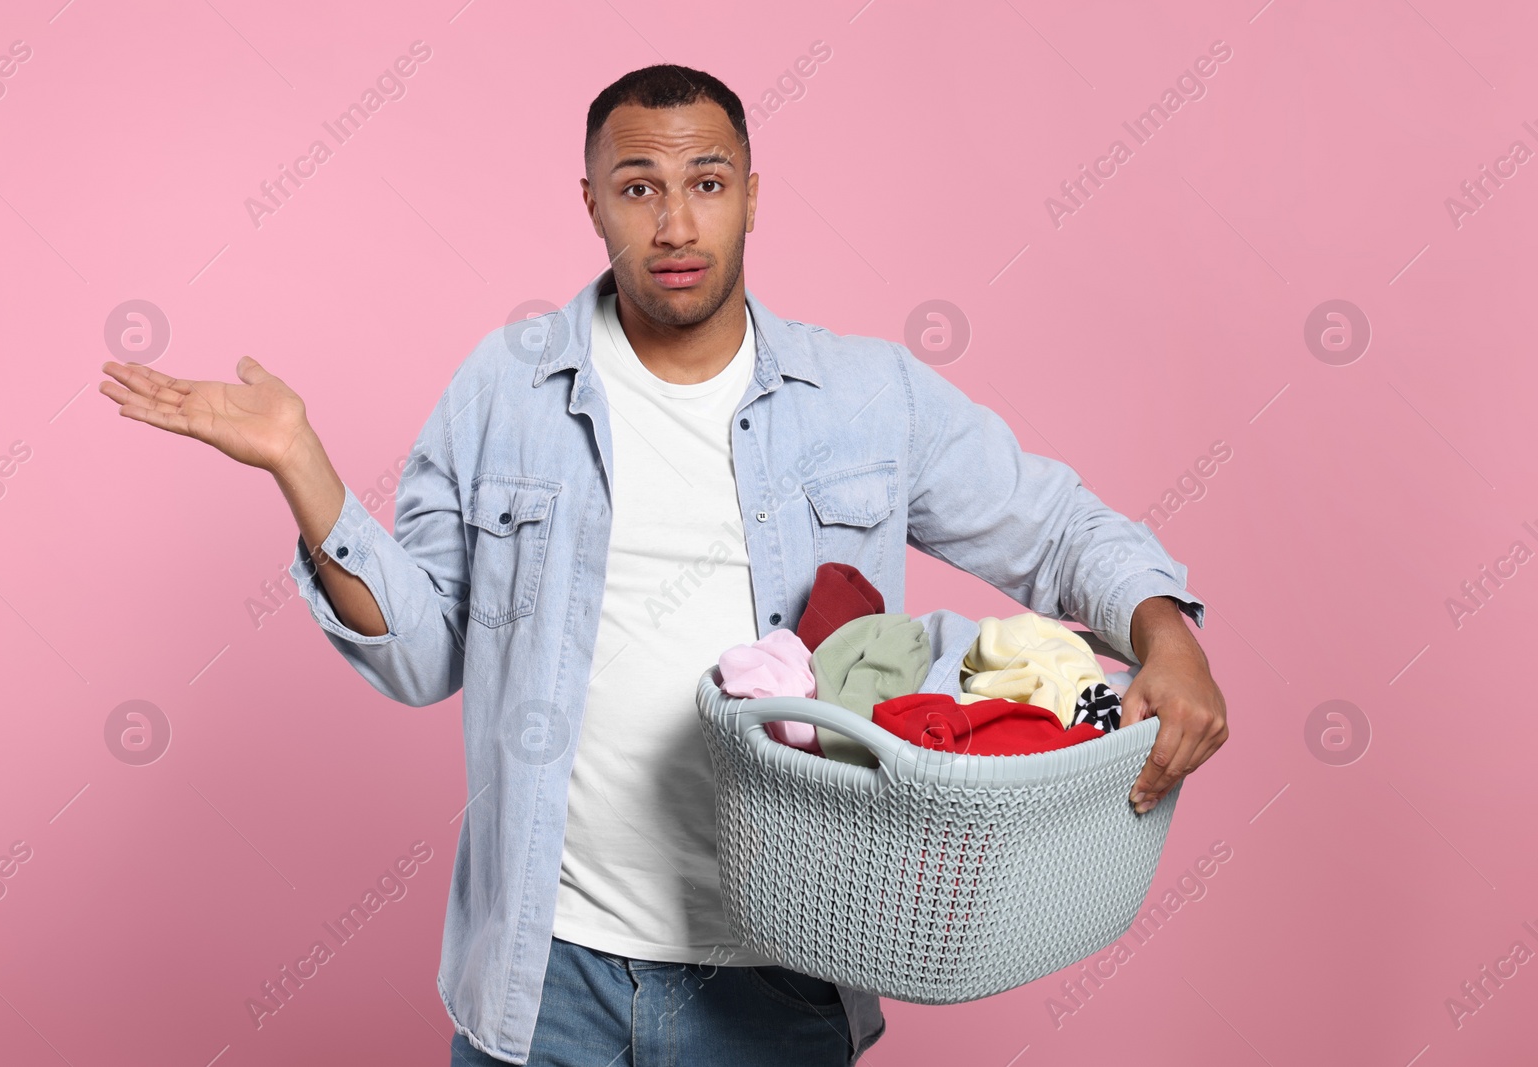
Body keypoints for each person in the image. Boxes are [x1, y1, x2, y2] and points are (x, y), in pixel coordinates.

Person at [99, 63, 1227, 1067]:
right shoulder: (506, 388)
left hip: (779, 972)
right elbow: (420, 656)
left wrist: (1168, 636)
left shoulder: (868, 397)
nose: (676, 220)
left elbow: (1053, 525)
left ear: (751, 191)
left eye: (708, 180)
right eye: (638, 186)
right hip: (549, 977)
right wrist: (304, 467)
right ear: (591, 202)